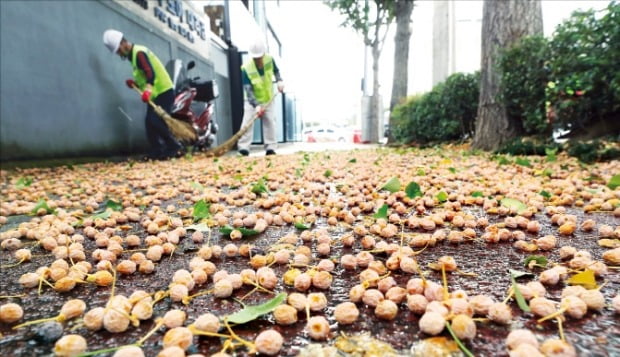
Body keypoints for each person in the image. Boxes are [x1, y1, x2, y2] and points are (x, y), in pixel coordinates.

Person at [102, 29, 182, 159]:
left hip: (164, 91)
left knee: (155, 120)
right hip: (156, 94)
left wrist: (148, 90)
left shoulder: (139, 53)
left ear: (123, 43)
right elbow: (144, 77)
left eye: (118, 50)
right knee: (149, 123)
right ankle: (157, 151)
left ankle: (173, 145)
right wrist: (136, 84)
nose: (119, 53)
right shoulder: (133, 56)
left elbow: (150, 73)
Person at [237, 37, 284, 156]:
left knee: (270, 122)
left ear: (264, 54)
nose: (259, 60)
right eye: (256, 58)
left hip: (268, 98)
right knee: (247, 123)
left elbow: (276, 71)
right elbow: (248, 89)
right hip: (251, 100)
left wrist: (279, 81)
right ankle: (243, 148)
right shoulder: (246, 68)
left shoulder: (269, 59)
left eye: (260, 57)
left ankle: (270, 147)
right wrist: (256, 105)